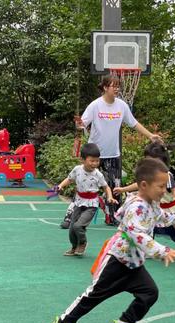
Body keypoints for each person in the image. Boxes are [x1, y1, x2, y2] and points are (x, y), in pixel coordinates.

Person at [48, 157, 175, 323]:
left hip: (133, 263)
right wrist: (162, 251)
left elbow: (158, 215)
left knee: (149, 293)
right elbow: (136, 233)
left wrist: (174, 219)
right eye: (161, 186)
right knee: (92, 296)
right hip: (117, 260)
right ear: (144, 185)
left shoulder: (152, 202)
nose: (165, 191)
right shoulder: (136, 206)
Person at [61, 75, 162, 227]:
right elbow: (82, 125)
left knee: (115, 188)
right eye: (113, 86)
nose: (117, 89)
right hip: (94, 155)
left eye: (118, 86)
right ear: (105, 87)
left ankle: (114, 215)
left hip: (113, 155)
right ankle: (70, 216)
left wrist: (150, 135)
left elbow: (134, 123)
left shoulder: (122, 106)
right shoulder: (95, 105)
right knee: (84, 185)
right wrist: (80, 125)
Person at [114, 142, 175, 262]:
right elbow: (138, 185)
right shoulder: (138, 202)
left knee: (173, 235)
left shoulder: (165, 175)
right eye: (147, 159)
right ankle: (146, 249)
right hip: (156, 211)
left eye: (151, 160)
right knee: (151, 227)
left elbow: (174, 189)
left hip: (169, 208)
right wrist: (123, 189)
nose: (149, 164)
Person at [56, 143, 117, 256]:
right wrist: (60, 186)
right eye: (92, 161)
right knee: (72, 228)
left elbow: (106, 187)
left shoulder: (98, 174)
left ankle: (83, 243)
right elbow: (69, 179)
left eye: (97, 161)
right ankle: (74, 247)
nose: (95, 163)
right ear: (82, 159)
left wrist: (110, 197)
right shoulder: (77, 170)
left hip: (91, 204)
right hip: (78, 202)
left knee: (78, 226)